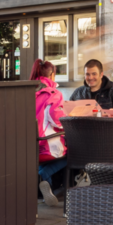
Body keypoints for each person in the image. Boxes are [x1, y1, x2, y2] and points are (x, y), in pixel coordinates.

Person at [32, 58, 66, 207]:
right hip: (47, 145)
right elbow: (57, 120)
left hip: (28, 145)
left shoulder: (26, 90)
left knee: (38, 158)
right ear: (52, 75)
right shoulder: (53, 93)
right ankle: (42, 177)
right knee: (75, 152)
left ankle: (46, 188)